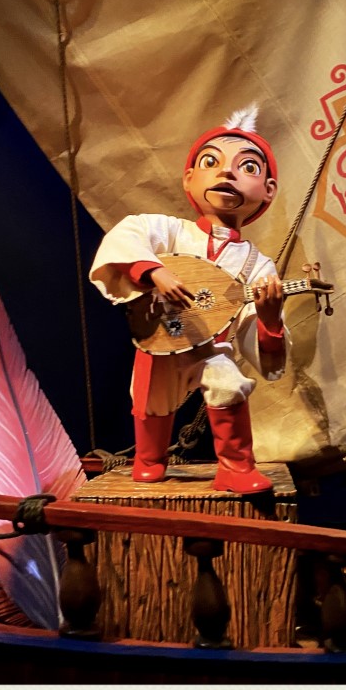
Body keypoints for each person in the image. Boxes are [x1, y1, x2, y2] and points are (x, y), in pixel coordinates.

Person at [89, 105, 287, 494]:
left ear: (268, 190)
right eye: (211, 162)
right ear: (190, 177)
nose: (226, 173)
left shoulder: (258, 264)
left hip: (211, 345)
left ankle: (235, 466)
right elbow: (127, 235)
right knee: (151, 396)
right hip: (165, 333)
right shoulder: (171, 230)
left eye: (247, 167)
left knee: (228, 382)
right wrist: (153, 271)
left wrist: (269, 318)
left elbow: (259, 337)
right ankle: (150, 458)